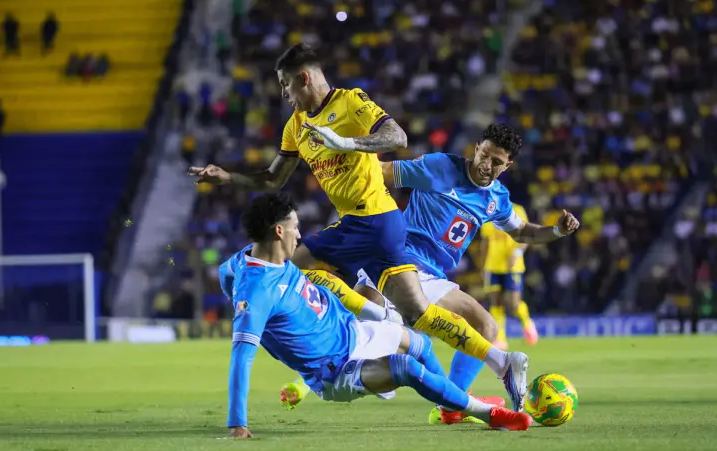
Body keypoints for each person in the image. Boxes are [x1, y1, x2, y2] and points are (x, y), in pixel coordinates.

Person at [189, 44, 530, 412]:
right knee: (418, 313)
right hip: (366, 224)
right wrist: (228, 177)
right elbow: (273, 180)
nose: (284, 92)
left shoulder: (350, 102)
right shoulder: (296, 126)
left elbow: (397, 137)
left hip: (374, 219)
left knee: (286, 268)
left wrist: (346, 142)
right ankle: (500, 361)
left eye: (286, 84)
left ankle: (331, 355)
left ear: (304, 78)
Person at [286, 124, 581, 421]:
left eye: (497, 162)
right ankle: (307, 380)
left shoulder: (497, 199)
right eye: (485, 155)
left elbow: (523, 232)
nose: (487, 165)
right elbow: (382, 172)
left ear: (508, 165)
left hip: (433, 276)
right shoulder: (439, 167)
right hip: (396, 261)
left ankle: (452, 405)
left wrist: (556, 231)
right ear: (476, 148)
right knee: (359, 323)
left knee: (485, 327)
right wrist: (340, 157)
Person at [221, 193, 532, 438]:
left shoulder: (249, 259)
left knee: (420, 344)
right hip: (336, 370)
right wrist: (238, 423)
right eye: (294, 228)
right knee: (406, 367)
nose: (299, 235)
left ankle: (451, 406)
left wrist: (233, 293)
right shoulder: (257, 292)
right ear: (278, 231)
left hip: (355, 333)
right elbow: (241, 356)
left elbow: (227, 273)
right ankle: (488, 415)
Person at [480, 202, 538, 349]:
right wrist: (482, 265)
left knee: (513, 303)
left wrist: (517, 253)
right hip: (492, 265)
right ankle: (500, 338)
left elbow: (526, 235)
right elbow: (485, 241)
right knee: (495, 302)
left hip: (513, 266)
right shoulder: (487, 212)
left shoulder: (517, 210)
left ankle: (527, 323)